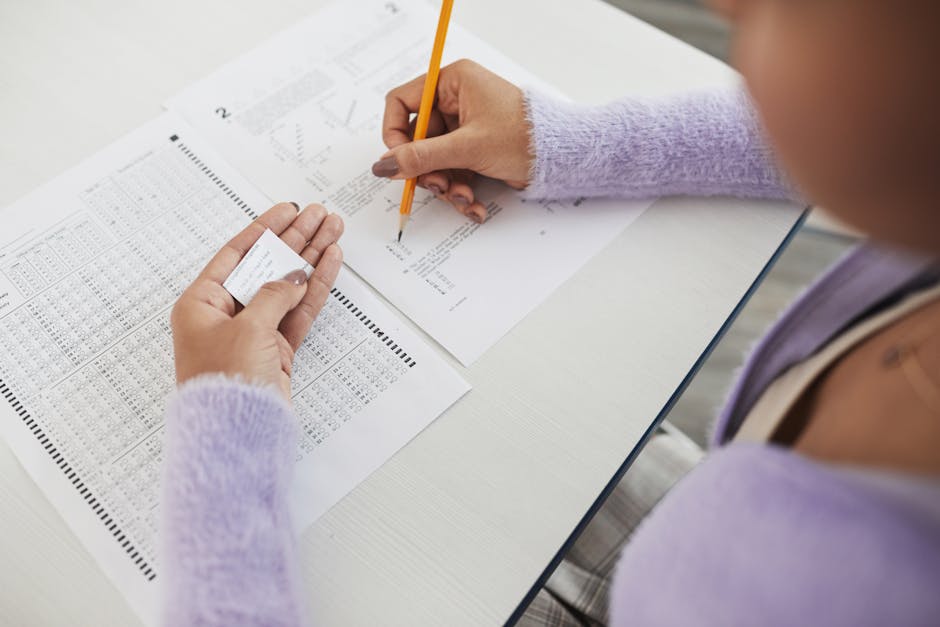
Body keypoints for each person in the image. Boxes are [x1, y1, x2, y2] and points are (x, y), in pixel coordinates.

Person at [160, 0, 940, 625]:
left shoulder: (853, 586)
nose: (722, 2)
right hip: (688, 513)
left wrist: (222, 431)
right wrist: (559, 141)